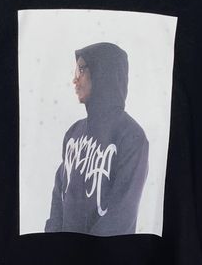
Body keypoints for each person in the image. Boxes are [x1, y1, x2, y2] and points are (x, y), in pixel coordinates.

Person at [45, 41, 149, 236]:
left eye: (81, 70)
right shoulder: (73, 133)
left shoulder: (131, 136)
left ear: (103, 72)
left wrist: (87, 251)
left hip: (106, 254)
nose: (75, 79)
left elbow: (121, 214)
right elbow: (58, 198)